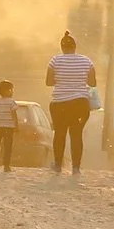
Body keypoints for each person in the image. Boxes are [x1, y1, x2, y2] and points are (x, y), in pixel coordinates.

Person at [46, 31, 97, 176]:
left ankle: (57, 165)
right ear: (75, 47)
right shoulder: (86, 61)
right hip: (80, 104)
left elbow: (48, 82)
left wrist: (62, 80)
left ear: (62, 47)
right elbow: (92, 82)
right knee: (76, 134)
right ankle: (76, 167)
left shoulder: (55, 61)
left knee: (60, 134)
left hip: (59, 103)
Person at [0, 81, 20, 173]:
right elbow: (14, 114)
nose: (12, 92)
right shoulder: (12, 102)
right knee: (7, 146)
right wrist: (16, 126)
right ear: (7, 91)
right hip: (8, 127)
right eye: (11, 90)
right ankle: (6, 165)